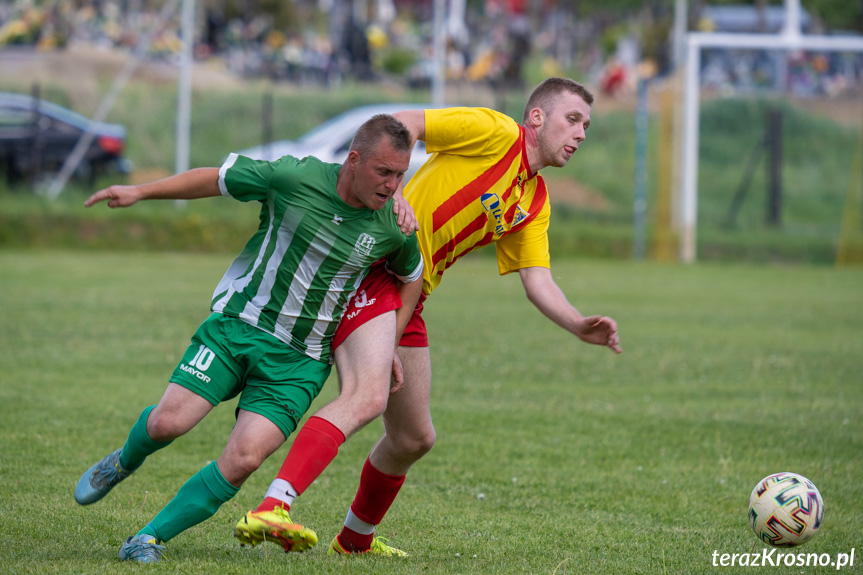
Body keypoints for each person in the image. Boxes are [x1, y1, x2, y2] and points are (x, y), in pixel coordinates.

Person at [235, 77, 622, 557]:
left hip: (412, 294)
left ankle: (354, 541)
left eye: (586, 124)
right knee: (366, 395)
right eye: (573, 119)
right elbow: (405, 124)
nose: (581, 133)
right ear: (537, 117)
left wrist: (579, 323)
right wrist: (394, 190)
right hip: (375, 268)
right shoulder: (495, 132)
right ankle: (275, 505)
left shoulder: (533, 199)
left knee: (414, 437)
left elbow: (538, 280)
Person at [73, 114, 424, 563]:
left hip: (299, 363)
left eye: (400, 175)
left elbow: (411, 274)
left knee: (242, 460)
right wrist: (141, 191)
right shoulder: (293, 177)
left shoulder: (393, 225)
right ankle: (123, 460)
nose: (393, 186)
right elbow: (217, 179)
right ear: (353, 160)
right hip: (239, 326)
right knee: (168, 423)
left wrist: (390, 342)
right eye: (384, 172)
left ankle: (148, 538)